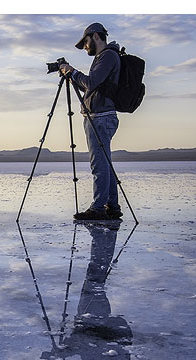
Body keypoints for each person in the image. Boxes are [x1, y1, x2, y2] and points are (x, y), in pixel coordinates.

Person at [59, 23, 122, 221]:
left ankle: (98, 209)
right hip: (99, 117)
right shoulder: (104, 57)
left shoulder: (108, 56)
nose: (85, 46)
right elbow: (92, 87)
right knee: (105, 163)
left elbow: (91, 83)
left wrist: (72, 71)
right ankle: (112, 206)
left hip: (100, 118)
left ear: (95, 36)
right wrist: (71, 76)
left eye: (85, 42)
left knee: (99, 165)